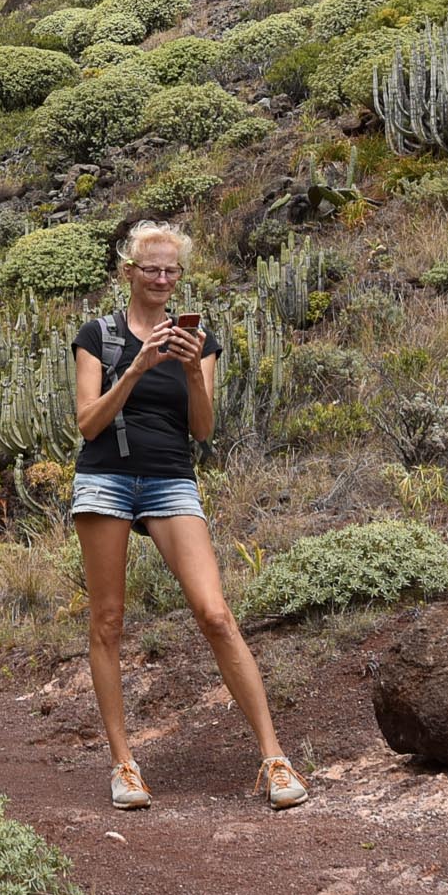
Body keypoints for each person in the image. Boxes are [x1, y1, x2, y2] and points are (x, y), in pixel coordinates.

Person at [68, 220, 307, 813]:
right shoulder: (97, 335)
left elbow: (202, 429)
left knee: (216, 613)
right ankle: (124, 765)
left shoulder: (198, 339)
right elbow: (87, 423)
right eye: (151, 268)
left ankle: (274, 759)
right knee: (108, 620)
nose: (162, 278)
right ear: (128, 271)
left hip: (172, 476)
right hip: (106, 477)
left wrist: (195, 366)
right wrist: (138, 368)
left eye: (171, 270)